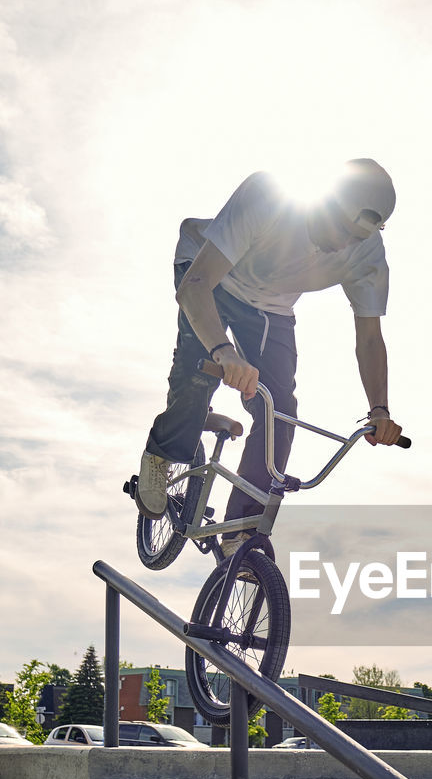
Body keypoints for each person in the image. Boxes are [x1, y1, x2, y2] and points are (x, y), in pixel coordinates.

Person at [136, 158, 403, 557]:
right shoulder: (268, 199)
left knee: (280, 410)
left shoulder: (367, 253)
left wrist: (379, 410)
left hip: (269, 306)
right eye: (342, 230)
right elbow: (194, 287)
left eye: (356, 237)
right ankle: (164, 450)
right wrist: (223, 352)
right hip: (207, 275)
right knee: (199, 375)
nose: (345, 244)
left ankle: (241, 529)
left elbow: (369, 337)